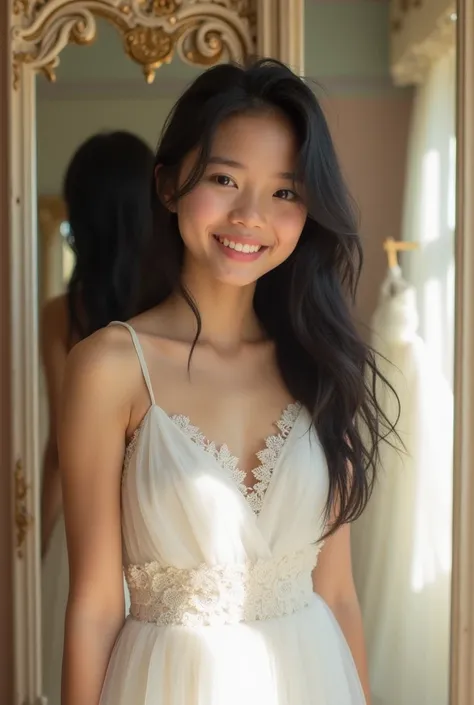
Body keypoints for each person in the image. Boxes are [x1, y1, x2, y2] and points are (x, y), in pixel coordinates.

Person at [59, 59, 395, 705]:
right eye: (224, 179)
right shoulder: (111, 366)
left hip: (314, 676)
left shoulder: (320, 359)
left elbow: (339, 592)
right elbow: (96, 605)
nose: (251, 216)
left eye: (285, 192)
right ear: (167, 185)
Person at [40, 130, 154, 705]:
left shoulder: (61, 315)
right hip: (162, 524)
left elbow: (62, 448)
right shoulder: (171, 311)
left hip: (86, 529)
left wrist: (37, 538)